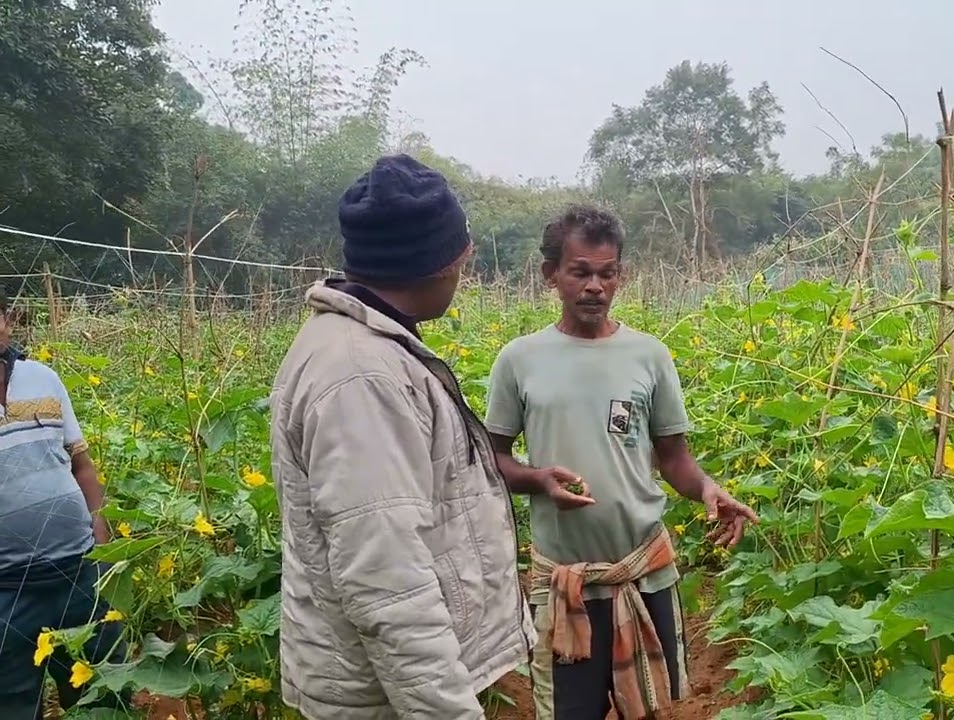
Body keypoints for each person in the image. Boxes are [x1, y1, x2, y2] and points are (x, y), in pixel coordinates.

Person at [269, 154, 534, 720]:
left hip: (386, 687)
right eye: (463, 257)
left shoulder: (371, 350)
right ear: (436, 263)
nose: (465, 271)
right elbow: (387, 581)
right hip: (380, 698)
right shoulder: (359, 376)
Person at [484, 204, 759, 720]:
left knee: (654, 710)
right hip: (566, 586)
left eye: (606, 273)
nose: (595, 285)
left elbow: (674, 457)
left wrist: (708, 490)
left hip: (645, 574)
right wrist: (539, 479)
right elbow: (492, 459)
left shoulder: (648, 356)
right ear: (551, 275)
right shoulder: (519, 360)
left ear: (620, 276)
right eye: (580, 271)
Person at [0, 289, 129, 719]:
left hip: (80, 570)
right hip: (5, 588)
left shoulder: (44, 379)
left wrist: (102, 540)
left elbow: (83, 466)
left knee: (103, 694)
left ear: (7, 322)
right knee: (12, 702)